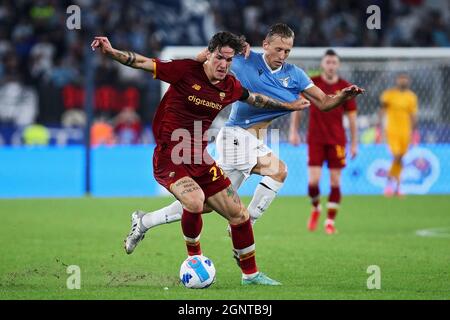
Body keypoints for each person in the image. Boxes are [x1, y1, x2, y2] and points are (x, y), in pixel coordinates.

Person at [124, 24, 365, 257]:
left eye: (288, 51)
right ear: (265, 45)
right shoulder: (244, 59)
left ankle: (145, 221)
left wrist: (343, 97)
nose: (282, 55)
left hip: (256, 139)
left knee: (207, 204)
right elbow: (208, 57)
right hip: (235, 135)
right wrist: (224, 50)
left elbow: (324, 103)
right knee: (278, 171)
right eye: (278, 49)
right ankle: (244, 224)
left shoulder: (295, 76)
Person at [92, 31, 312, 285]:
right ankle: (194, 258)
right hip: (170, 155)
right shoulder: (185, 70)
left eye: (229, 60)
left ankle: (250, 275)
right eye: (219, 57)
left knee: (239, 215)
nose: (224, 65)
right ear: (208, 54)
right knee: (195, 201)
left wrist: (289, 106)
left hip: (199, 157)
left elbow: (256, 100)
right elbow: (142, 62)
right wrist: (111, 52)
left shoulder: (230, 86)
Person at [289, 49, 358, 235]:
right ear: (322, 64)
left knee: (335, 181)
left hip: (337, 140)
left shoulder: (346, 87)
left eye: (334, 62)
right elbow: (298, 107)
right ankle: (316, 207)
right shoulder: (313, 83)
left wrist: (354, 143)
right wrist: (293, 131)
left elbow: (352, 118)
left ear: (338, 65)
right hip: (316, 139)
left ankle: (329, 221)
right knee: (313, 181)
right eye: (328, 62)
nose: (331, 65)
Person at [378, 73, 419, 196]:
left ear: (409, 81)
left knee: (400, 158)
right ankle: (391, 185)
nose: (403, 81)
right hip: (392, 130)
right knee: (396, 156)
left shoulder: (411, 97)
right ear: (397, 80)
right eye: (401, 79)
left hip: (405, 131)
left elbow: (413, 115)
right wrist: (379, 128)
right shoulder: (389, 95)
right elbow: (382, 112)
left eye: (405, 79)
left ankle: (397, 187)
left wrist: (415, 131)